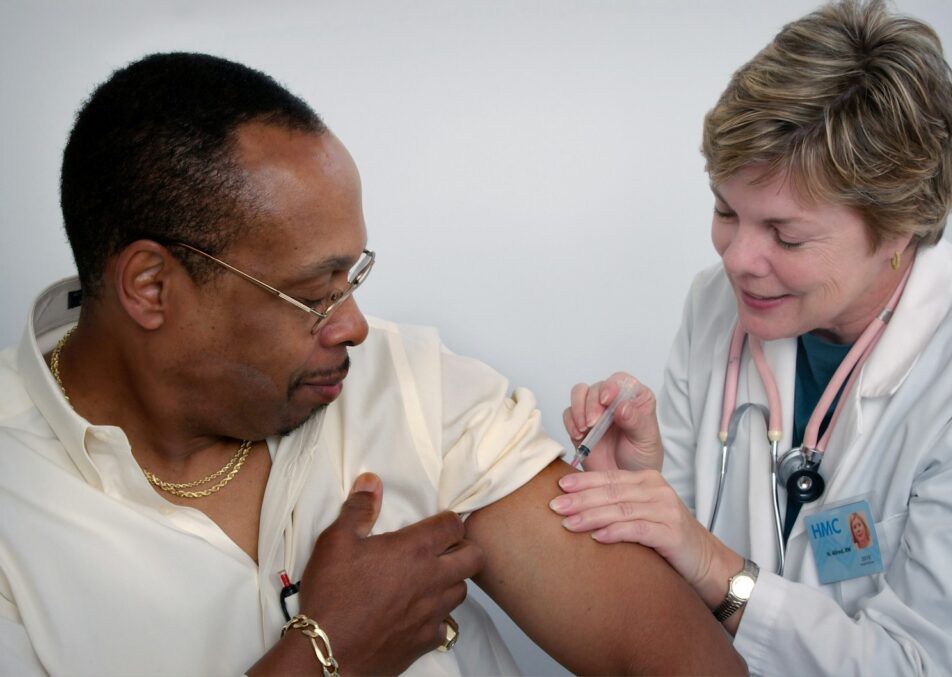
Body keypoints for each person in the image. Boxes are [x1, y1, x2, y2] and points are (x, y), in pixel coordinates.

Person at [0, 53, 746, 676]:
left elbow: (688, 665)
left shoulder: (407, 383)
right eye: (313, 294)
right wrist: (328, 652)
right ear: (152, 287)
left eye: (351, 279)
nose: (355, 326)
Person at [552, 1, 952, 674]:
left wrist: (718, 568)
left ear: (898, 227)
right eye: (725, 210)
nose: (738, 257)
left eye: (787, 234)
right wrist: (643, 486)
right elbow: (672, 571)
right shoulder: (718, 305)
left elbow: (938, 665)